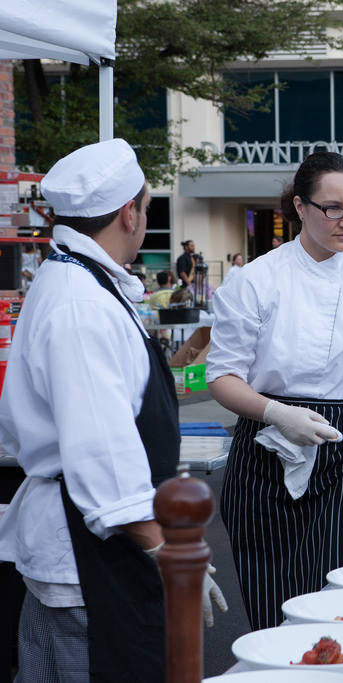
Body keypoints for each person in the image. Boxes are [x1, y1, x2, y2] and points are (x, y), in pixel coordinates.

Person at [0, 139, 226, 682]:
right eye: (148, 207)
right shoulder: (80, 303)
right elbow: (99, 452)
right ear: (129, 213)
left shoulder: (83, 278)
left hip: (99, 548)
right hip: (90, 559)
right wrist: (173, 556)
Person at [207, 151, 343, 630]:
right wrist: (278, 413)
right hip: (265, 437)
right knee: (272, 595)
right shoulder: (256, 279)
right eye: (334, 208)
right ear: (300, 207)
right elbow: (222, 376)